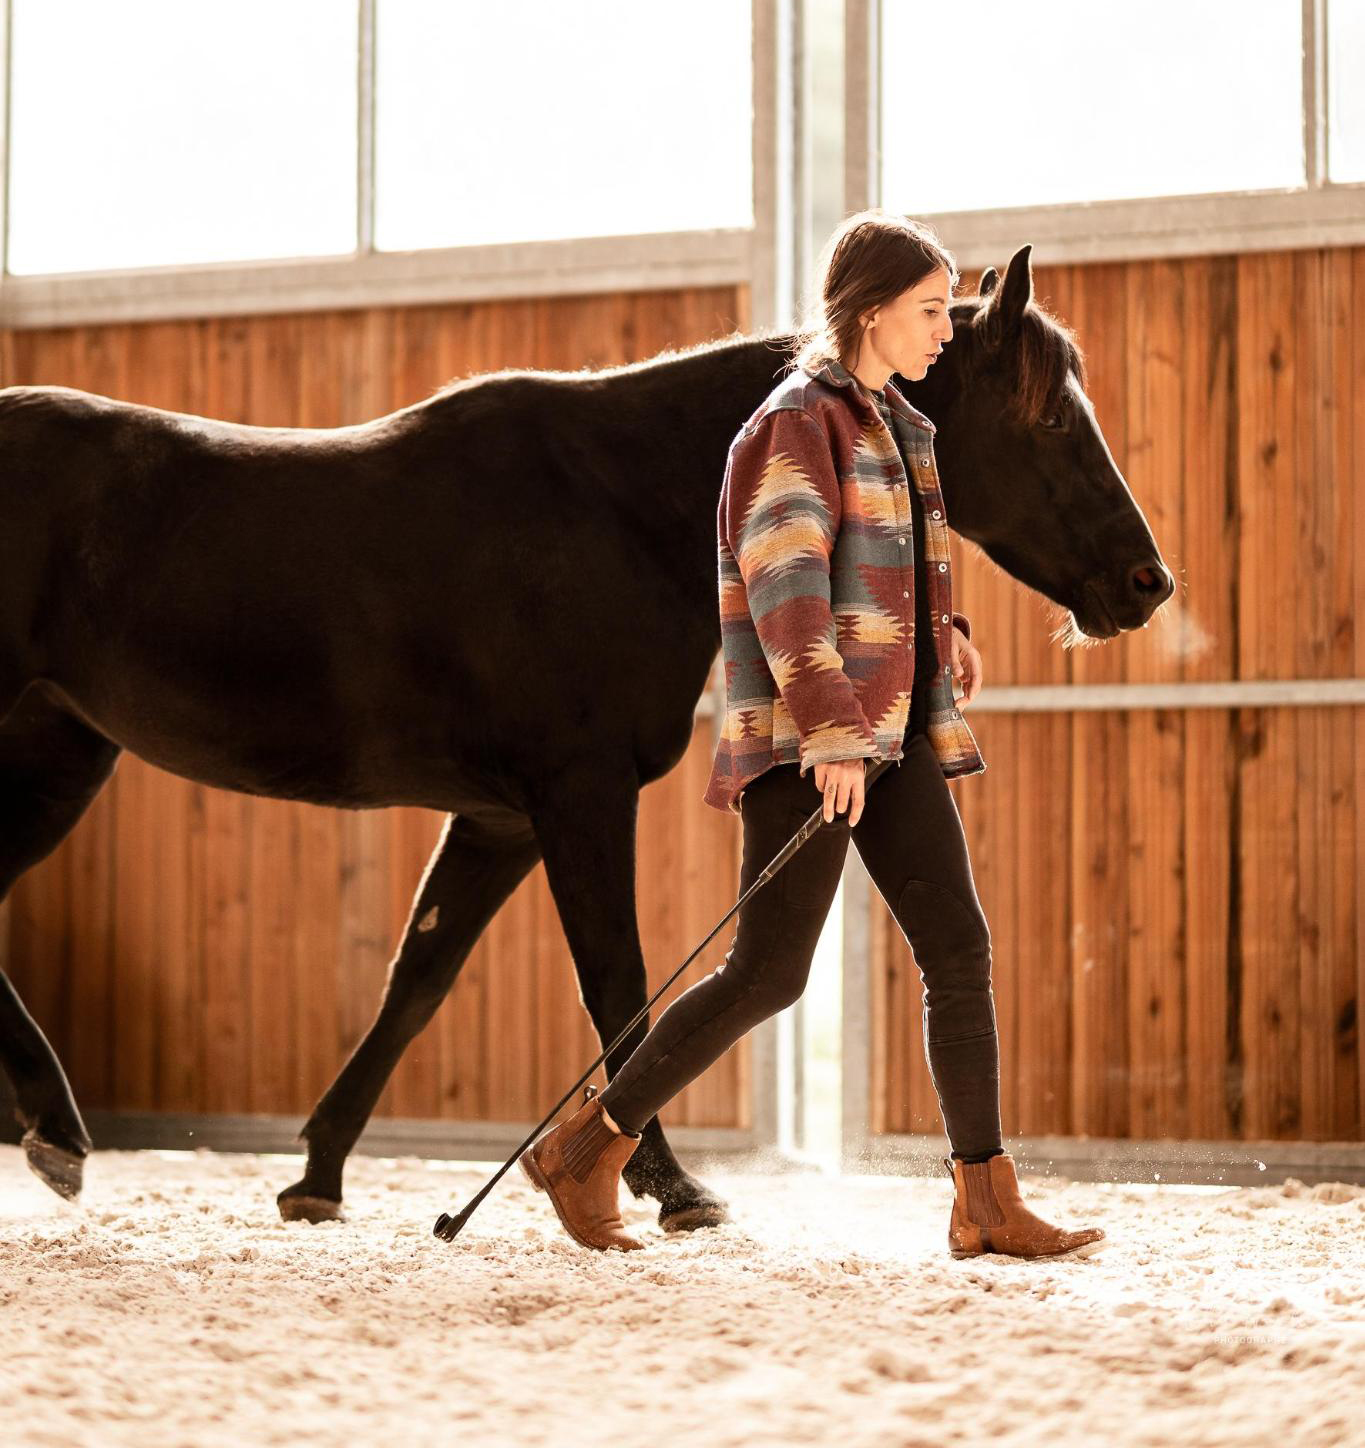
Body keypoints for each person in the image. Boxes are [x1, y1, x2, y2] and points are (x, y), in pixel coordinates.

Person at [519, 211, 1105, 1261]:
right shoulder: (797, 421)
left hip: (891, 731)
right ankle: (584, 1149)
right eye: (930, 311)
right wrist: (831, 731)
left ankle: (984, 1197)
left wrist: (944, 638)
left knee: (957, 947)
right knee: (766, 972)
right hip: (815, 738)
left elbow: (874, 558)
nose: (944, 330)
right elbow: (786, 582)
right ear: (872, 311)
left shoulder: (892, 421)